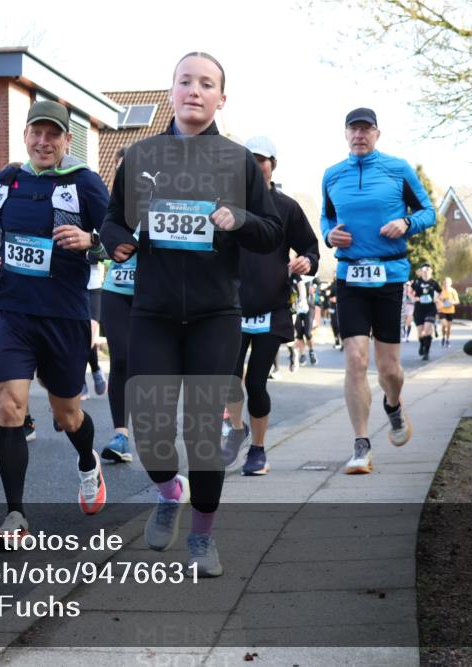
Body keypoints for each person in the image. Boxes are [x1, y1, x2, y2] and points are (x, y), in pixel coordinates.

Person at [101, 52, 282, 577]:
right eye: (185, 82)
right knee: (153, 429)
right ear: (172, 92)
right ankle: (167, 491)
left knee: (203, 431)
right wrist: (116, 243)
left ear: (221, 98)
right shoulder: (139, 155)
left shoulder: (238, 161)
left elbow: (270, 231)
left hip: (214, 315)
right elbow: (113, 220)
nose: (195, 91)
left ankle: (202, 537)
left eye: (207, 84)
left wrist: (241, 218)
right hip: (153, 311)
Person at [0, 100, 110, 542]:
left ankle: (88, 462)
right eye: (37, 133)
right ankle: (16, 516)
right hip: (13, 310)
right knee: (11, 406)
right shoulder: (8, 178)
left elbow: (120, 242)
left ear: (68, 140)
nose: (44, 142)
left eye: (54, 135)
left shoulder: (84, 183)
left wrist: (91, 240)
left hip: (63, 314)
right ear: (26, 135)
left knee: (67, 414)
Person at [320, 107, 436, 475]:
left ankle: (393, 403)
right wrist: (328, 234)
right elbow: (326, 216)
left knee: (389, 368)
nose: (359, 135)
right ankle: (361, 445)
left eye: (366, 129)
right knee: (355, 358)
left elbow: (429, 212)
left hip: (390, 275)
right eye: (353, 129)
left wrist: (406, 221)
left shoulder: (398, 169)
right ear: (345, 134)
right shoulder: (331, 175)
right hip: (350, 275)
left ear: (377, 133)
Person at [223, 135, 317, 477]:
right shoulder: (227, 204)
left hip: (270, 306)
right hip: (231, 307)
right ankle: (236, 429)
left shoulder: (286, 206)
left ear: (272, 165)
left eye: (261, 159)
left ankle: (258, 451)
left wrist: (307, 260)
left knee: (256, 382)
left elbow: (310, 246)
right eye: (248, 159)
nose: (254, 165)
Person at [99, 146, 136, 463]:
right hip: (116, 288)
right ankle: (121, 434)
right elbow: (98, 242)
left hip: (156, 293)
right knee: (121, 358)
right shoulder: (113, 208)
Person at [82, 257, 108, 398]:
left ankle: (96, 368)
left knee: (89, 333)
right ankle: (80, 382)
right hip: (70, 286)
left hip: (93, 285)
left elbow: (103, 252)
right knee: (76, 336)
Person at [411, 263, 442, 361]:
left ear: (431, 272)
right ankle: (422, 344)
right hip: (419, 309)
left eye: (428, 270)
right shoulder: (416, 282)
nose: (426, 272)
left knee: (427, 330)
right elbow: (409, 291)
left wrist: (437, 299)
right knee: (421, 333)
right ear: (421, 272)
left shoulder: (434, 283)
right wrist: (414, 298)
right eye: (424, 271)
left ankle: (426, 353)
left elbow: (441, 292)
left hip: (430, 309)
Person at [437, 276, 459, 347]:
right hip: (442, 310)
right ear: (443, 283)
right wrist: (440, 300)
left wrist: (452, 302)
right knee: (444, 325)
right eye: (445, 282)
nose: (446, 284)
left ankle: (447, 340)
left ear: (450, 283)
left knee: (449, 327)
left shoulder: (453, 291)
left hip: (450, 311)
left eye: (447, 283)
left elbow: (457, 301)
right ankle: (443, 337)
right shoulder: (441, 291)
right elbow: (436, 299)